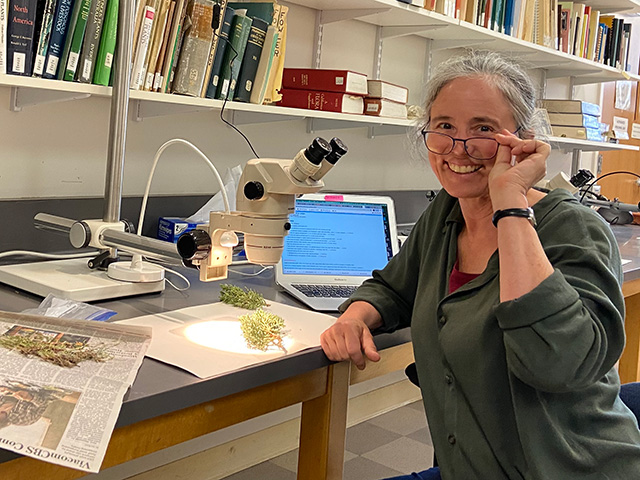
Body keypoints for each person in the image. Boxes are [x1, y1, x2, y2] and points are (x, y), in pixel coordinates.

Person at [320, 50, 640, 479]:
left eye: (483, 130)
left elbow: (560, 364)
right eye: (444, 127)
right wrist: (355, 317)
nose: (459, 149)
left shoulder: (573, 230)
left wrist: (510, 201)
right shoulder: (446, 216)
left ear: (523, 140)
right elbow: (395, 287)